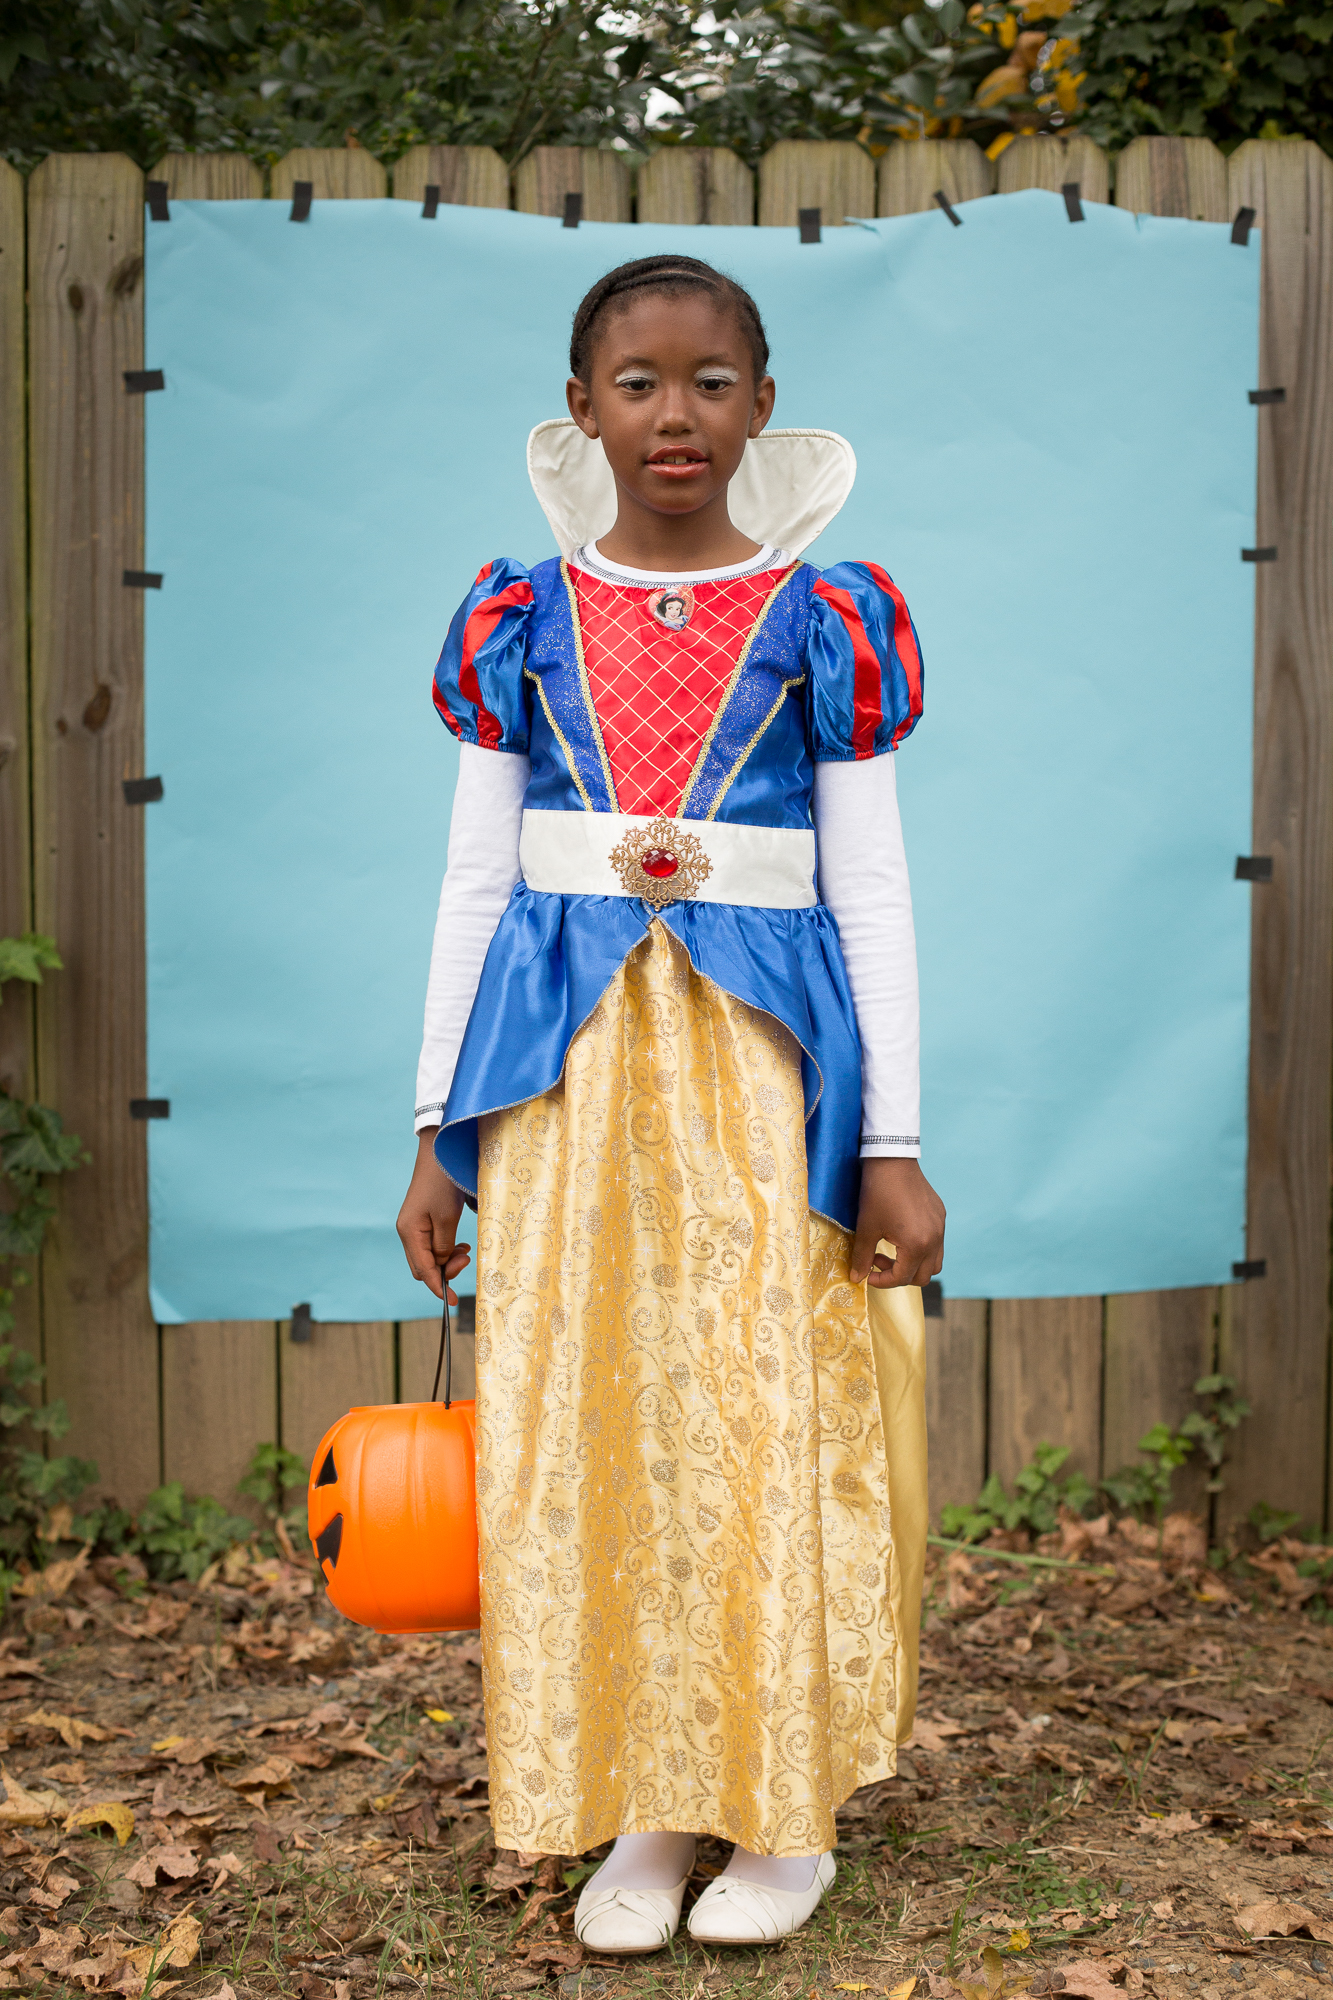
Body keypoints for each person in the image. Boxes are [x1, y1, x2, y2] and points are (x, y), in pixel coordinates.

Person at [397, 253, 945, 1954]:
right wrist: (436, 1127)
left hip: (761, 1077)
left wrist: (896, 1142)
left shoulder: (821, 617)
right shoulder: (518, 617)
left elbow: (871, 892)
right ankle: (641, 1797)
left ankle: (776, 1806)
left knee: (761, 1413)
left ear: (762, 406)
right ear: (580, 413)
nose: (674, 413)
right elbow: (475, 883)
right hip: (562, 1082)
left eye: (711, 380)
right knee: (602, 1425)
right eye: (635, 381)